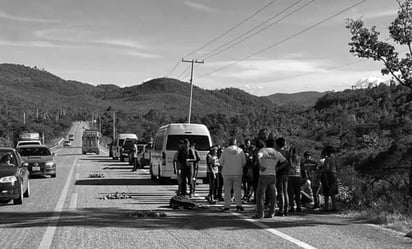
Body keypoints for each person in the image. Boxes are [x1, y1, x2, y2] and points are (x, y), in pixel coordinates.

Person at [253, 138, 287, 219]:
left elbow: (258, 156)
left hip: (264, 175)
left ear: (266, 144)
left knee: (260, 195)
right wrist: (278, 168)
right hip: (273, 176)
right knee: (272, 195)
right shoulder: (276, 152)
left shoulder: (263, 150)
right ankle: (271, 213)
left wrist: (260, 166)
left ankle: (260, 214)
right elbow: (286, 162)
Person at [220, 138, 246, 211]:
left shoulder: (225, 150)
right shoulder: (240, 150)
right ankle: (238, 205)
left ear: (229, 142)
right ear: (235, 143)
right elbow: (244, 162)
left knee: (227, 190)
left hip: (227, 172)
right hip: (237, 172)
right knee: (237, 189)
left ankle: (227, 205)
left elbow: (221, 162)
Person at [275, 137, 290, 216]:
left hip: (280, 173)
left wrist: (277, 168)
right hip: (286, 173)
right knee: (285, 191)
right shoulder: (287, 152)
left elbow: (285, 162)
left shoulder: (278, 152)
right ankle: (286, 210)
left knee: (280, 192)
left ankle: (281, 210)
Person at [320, 146, 338, 212]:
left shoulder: (327, 159)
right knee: (333, 191)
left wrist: (321, 171)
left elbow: (326, 168)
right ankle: (334, 206)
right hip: (334, 175)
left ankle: (326, 207)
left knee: (326, 191)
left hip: (329, 175)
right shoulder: (334, 159)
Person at [287, 146, 304, 213]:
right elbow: (302, 168)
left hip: (290, 176)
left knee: (291, 193)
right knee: (298, 192)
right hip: (298, 176)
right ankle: (298, 206)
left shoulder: (289, 158)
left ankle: (291, 207)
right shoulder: (300, 158)